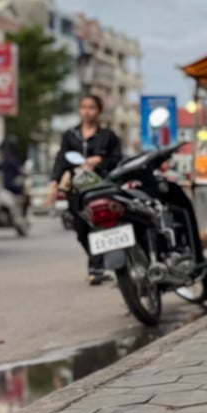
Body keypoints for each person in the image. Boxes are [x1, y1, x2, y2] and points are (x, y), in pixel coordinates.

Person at [48, 94, 123, 284]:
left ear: (98, 111)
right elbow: (61, 160)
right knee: (81, 230)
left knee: (98, 226)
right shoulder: (70, 135)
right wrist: (54, 183)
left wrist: (99, 160)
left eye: (91, 107)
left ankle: (95, 269)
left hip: (100, 188)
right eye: (83, 107)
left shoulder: (108, 136)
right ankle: (98, 262)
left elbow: (117, 160)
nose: (87, 111)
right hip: (77, 190)